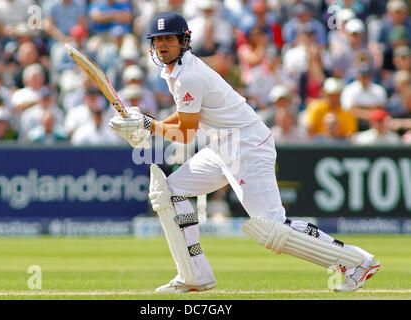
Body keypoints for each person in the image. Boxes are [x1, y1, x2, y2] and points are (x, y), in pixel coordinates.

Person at [108, 12, 380, 293]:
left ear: (184, 40)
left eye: (169, 39)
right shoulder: (174, 71)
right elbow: (183, 120)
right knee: (168, 192)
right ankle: (194, 275)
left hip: (246, 145)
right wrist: (145, 123)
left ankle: (356, 260)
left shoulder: (188, 74)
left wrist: (148, 125)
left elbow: (186, 132)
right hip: (221, 146)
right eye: (158, 40)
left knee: (271, 229)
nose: (163, 45)